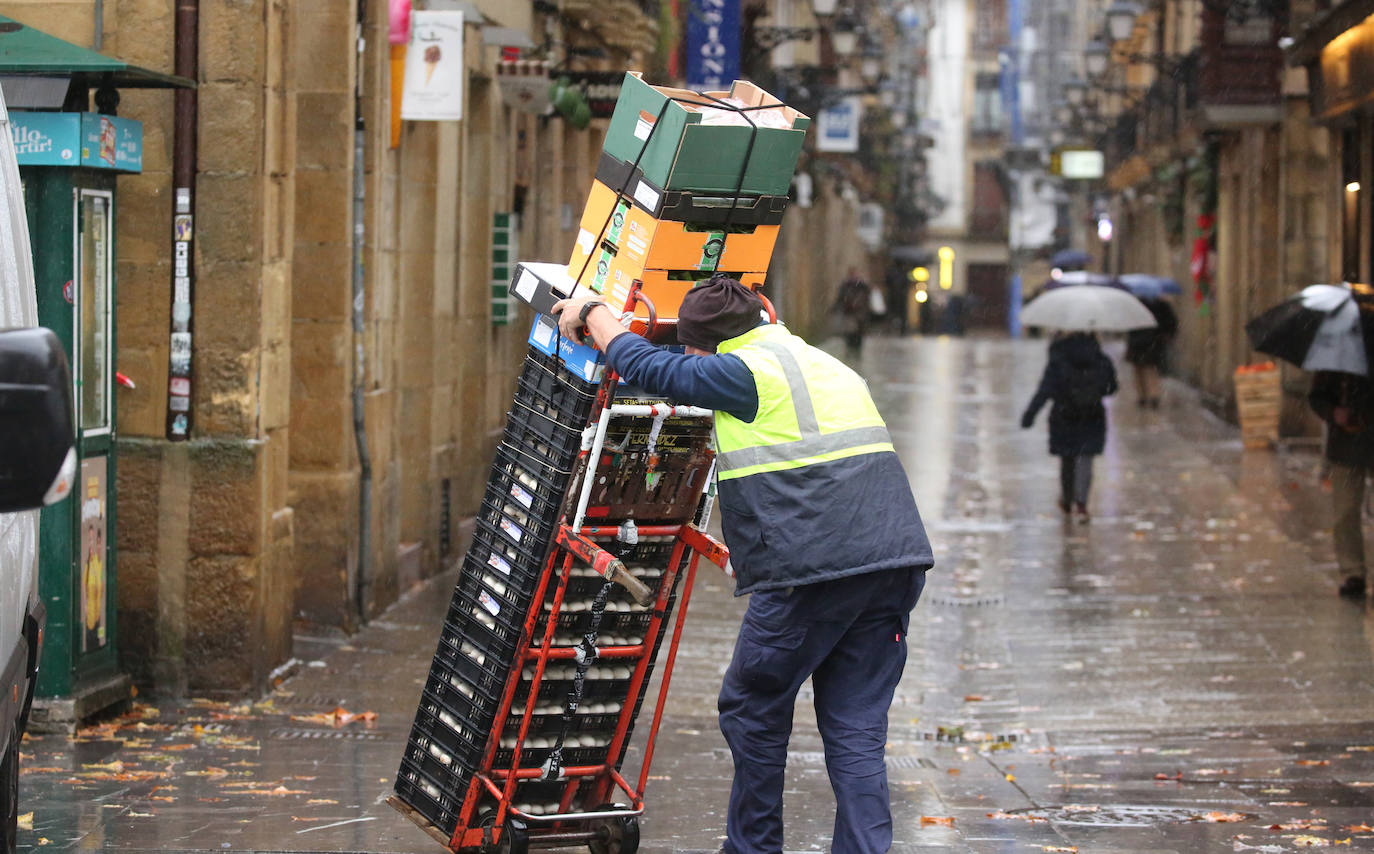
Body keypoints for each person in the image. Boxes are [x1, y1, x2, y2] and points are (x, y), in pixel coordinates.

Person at [553, 276, 933, 854]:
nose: (691, 359)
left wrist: (595, 315)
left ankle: (752, 848)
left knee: (753, 706)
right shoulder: (824, 365)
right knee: (856, 730)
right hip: (892, 563)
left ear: (710, 349)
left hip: (813, 573)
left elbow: (654, 371)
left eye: (693, 350)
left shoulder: (747, 371)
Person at [1020, 332, 1119, 523]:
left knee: (1067, 459)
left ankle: (1067, 499)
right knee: (1086, 458)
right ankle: (1082, 504)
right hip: (1092, 415)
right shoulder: (1099, 358)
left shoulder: (1058, 358)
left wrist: (1030, 414)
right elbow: (1112, 387)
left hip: (1064, 415)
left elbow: (1045, 389)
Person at [1308, 370, 1374, 599]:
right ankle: (1352, 572)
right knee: (1345, 511)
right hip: (1346, 443)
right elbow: (1317, 396)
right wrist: (1334, 412)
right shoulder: (1339, 349)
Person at [1124, 298, 1178, 408]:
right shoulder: (1161, 306)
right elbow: (1171, 323)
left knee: (1139, 370)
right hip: (1152, 342)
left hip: (1138, 343)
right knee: (1151, 370)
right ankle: (1153, 395)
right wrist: (1165, 335)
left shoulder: (1136, 305)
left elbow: (1128, 324)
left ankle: (1143, 396)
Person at [835, 268, 871, 355]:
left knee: (858, 332)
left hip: (859, 313)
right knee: (850, 331)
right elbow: (840, 298)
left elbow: (867, 295)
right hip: (850, 313)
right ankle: (850, 348)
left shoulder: (862, 286)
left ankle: (856, 349)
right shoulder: (846, 285)